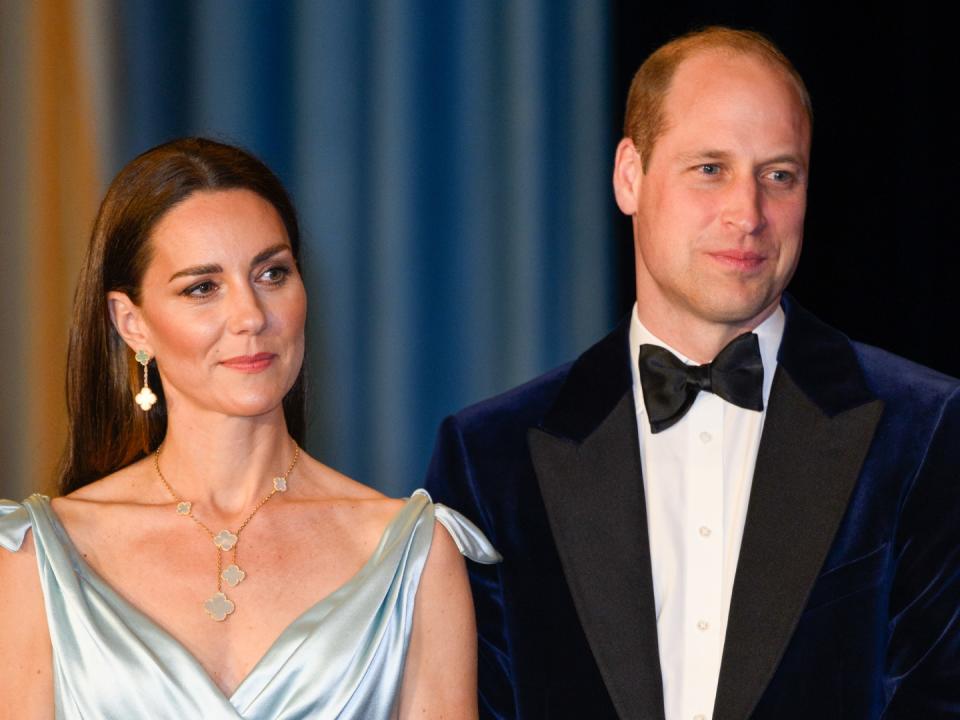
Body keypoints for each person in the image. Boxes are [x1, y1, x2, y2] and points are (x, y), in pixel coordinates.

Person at [425, 27, 960, 720]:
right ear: (629, 176)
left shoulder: (924, 428)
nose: (749, 214)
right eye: (710, 168)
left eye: (779, 175)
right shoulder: (488, 457)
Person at [0, 137, 499, 719]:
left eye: (271, 273)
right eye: (202, 288)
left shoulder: (414, 555)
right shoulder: (36, 556)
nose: (251, 316)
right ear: (132, 323)